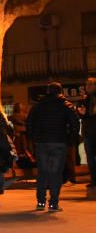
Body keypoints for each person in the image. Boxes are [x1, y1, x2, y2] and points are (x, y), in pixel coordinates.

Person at [27, 82, 80, 212]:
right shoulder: (65, 106)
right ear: (60, 92)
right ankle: (53, 203)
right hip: (59, 143)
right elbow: (75, 124)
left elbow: (29, 124)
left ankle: (40, 202)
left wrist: (34, 139)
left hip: (41, 143)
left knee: (43, 172)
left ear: (48, 91)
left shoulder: (38, 107)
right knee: (56, 174)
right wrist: (70, 140)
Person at [82, 78, 96, 187]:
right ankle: (94, 179)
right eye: (87, 84)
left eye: (90, 84)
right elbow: (83, 114)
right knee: (90, 157)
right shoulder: (85, 99)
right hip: (88, 131)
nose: (88, 86)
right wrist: (81, 112)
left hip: (92, 130)